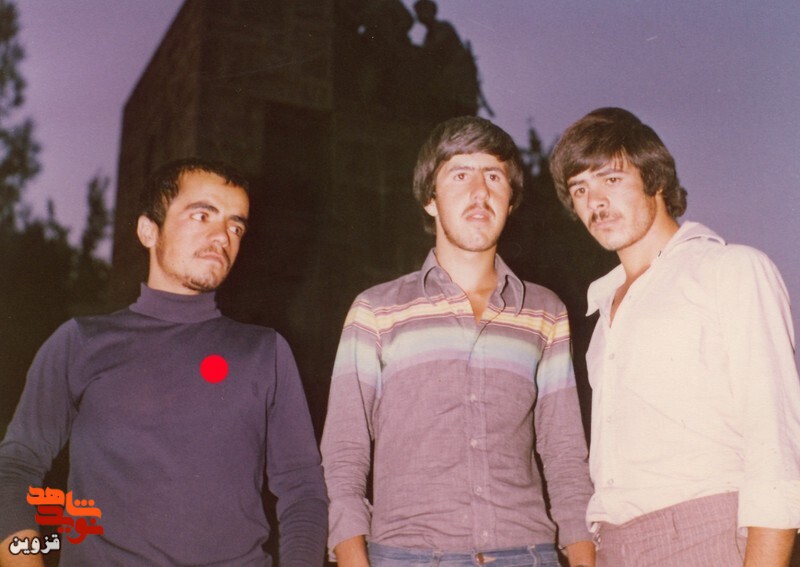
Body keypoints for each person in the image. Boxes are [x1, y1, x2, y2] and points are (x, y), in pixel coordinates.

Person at [0, 158, 328, 566]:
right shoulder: (80, 342)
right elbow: (15, 467)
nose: (222, 237)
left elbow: (303, 490)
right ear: (148, 230)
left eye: (235, 226)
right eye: (202, 215)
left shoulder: (266, 351)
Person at [321, 116, 595, 567]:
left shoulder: (545, 312)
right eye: (460, 174)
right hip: (406, 556)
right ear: (430, 199)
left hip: (526, 554)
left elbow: (564, 453)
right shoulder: (375, 311)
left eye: (494, 176)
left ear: (511, 201)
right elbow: (343, 453)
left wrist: (583, 557)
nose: (480, 192)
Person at [549, 107, 800, 566]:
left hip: (704, 533)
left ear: (655, 180)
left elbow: (776, 447)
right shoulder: (602, 312)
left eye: (611, 179)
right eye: (580, 189)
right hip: (614, 546)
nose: (595, 202)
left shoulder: (730, 270)